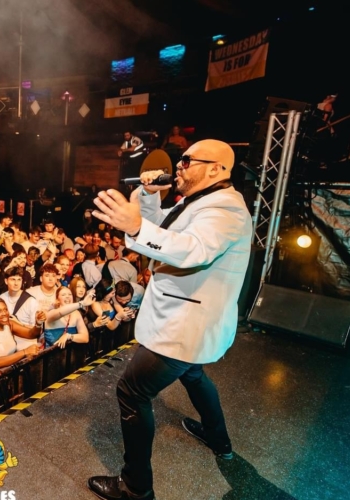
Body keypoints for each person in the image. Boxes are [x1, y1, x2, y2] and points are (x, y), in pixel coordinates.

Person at [87, 139, 252, 500]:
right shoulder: (200, 201)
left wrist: (136, 227)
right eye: (180, 160)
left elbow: (192, 249)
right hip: (187, 321)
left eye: (187, 161)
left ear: (216, 169)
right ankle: (218, 438)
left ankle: (135, 487)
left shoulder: (226, 210)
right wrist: (148, 198)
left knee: (132, 392)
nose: (179, 165)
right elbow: (165, 229)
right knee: (193, 375)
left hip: (183, 326)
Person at [0, 298, 41, 370]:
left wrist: (38, 323)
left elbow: (32, 334)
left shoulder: (9, 324)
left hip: (12, 370)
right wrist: (24, 352)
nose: (4, 313)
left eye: (5, 309)